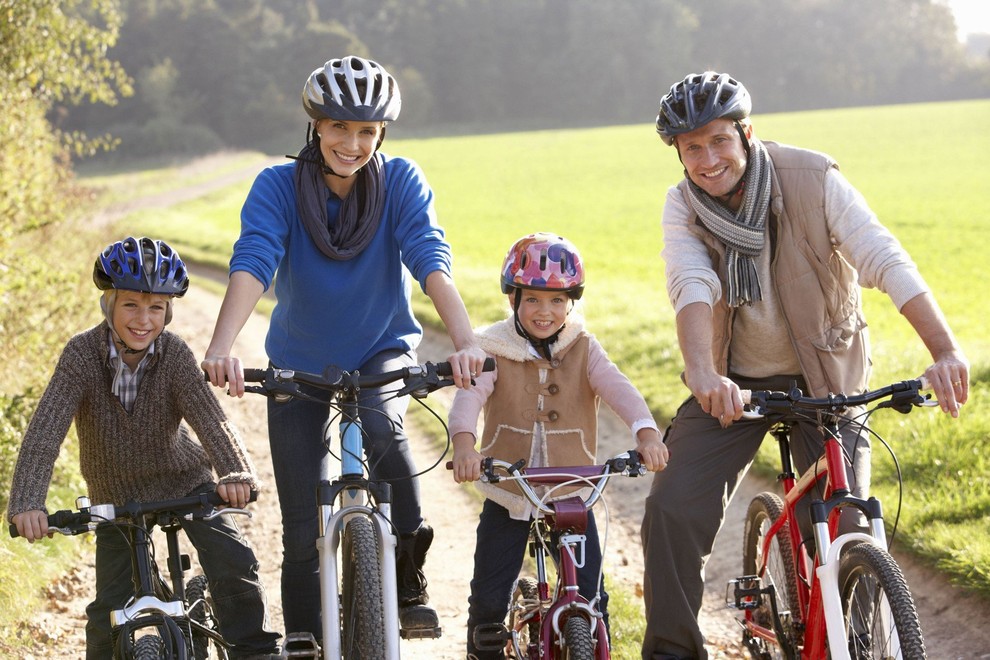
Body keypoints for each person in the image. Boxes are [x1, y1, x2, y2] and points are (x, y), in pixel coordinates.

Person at [640, 71, 970, 660]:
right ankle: (672, 651)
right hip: (733, 385)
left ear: (746, 133)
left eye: (719, 140)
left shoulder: (813, 178)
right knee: (671, 508)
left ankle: (859, 642)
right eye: (692, 147)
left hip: (826, 379)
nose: (708, 159)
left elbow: (881, 255)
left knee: (848, 526)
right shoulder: (682, 205)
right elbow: (690, 283)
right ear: (678, 154)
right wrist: (702, 375)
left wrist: (943, 349)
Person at [201, 55, 488, 641]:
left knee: (384, 425)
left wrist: (465, 344)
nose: (351, 143)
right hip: (298, 362)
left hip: (381, 347)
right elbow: (254, 259)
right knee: (301, 518)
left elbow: (428, 256)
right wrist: (222, 344)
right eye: (338, 127)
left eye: (365, 131)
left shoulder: (401, 180)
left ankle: (408, 578)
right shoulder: (277, 186)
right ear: (315, 126)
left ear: (381, 133)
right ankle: (305, 635)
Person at [6, 237, 281, 660]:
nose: (143, 319)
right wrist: (28, 500)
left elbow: (210, 417)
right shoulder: (81, 355)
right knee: (107, 611)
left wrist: (235, 472)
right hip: (116, 497)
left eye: (156, 308)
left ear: (168, 312)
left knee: (234, 565)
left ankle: (255, 653)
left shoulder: (173, 353)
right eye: (131, 305)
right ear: (110, 305)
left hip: (184, 482)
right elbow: (46, 429)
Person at [448, 232, 669, 659]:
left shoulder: (584, 349)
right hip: (509, 490)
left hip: (571, 490)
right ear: (513, 300)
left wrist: (646, 433)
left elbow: (620, 390)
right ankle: (483, 647)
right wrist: (464, 445)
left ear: (571, 304)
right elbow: (470, 396)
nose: (544, 312)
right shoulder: (493, 347)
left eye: (556, 301)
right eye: (532, 299)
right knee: (490, 600)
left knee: (590, 599)